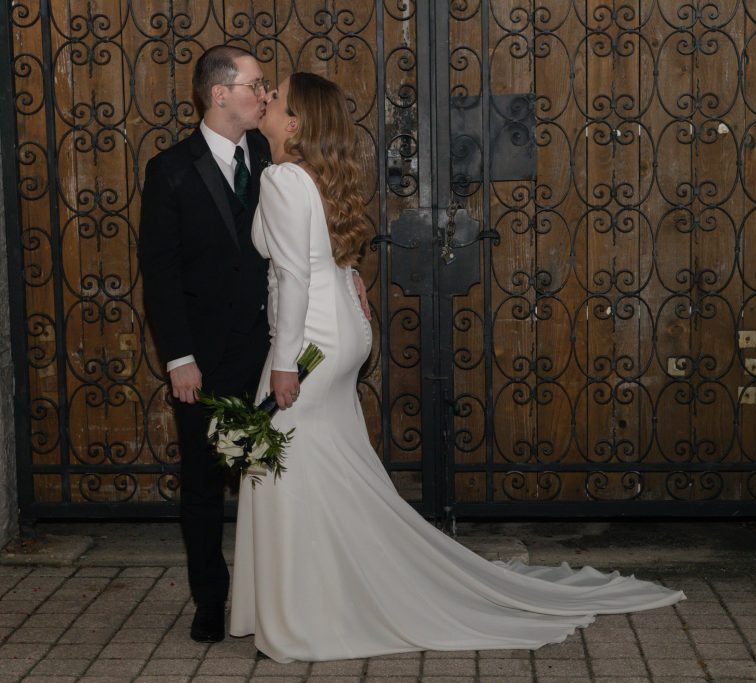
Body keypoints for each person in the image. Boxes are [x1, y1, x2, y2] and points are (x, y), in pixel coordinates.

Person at [229, 72, 686, 662]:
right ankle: (319, 596)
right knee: (322, 468)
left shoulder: (281, 178)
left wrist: (284, 364)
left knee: (279, 467)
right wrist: (351, 283)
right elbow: (325, 253)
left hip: (306, 344)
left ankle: (305, 612)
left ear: (294, 123)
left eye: (276, 96)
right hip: (340, 333)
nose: (266, 98)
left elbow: (293, 275)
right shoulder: (313, 174)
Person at [138, 45, 273, 643]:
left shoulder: (267, 153)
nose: (263, 95)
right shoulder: (170, 169)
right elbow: (160, 274)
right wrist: (179, 358)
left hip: (267, 350)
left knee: (270, 476)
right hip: (204, 358)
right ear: (220, 94)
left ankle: (271, 596)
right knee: (203, 482)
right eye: (254, 85)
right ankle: (210, 600)